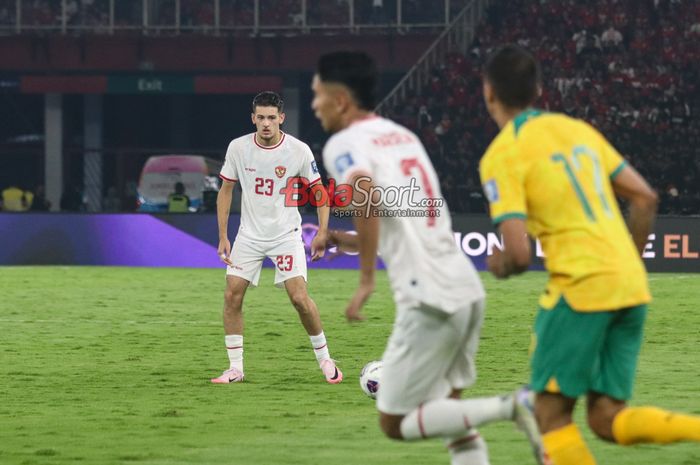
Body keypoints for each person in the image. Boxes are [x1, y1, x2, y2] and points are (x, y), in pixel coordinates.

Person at [312, 51, 543, 465]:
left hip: (428, 297)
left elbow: (362, 191)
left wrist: (365, 280)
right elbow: (401, 220)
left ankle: (515, 406)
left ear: (341, 100)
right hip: (465, 287)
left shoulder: (344, 144)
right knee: (450, 419)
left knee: (395, 421)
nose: (314, 105)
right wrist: (341, 240)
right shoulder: (403, 137)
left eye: (317, 95)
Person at [478, 44, 700, 465]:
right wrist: (629, 262)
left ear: (489, 92)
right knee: (605, 417)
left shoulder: (501, 154)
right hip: (631, 284)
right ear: (538, 89)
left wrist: (499, 264)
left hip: (581, 288)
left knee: (550, 415)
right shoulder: (577, 130)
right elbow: (645, 198)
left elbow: (519, 254)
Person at [212, 91, 342, 385]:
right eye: (261, 117)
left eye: (272, 117)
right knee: (232, 294)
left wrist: (322, 231)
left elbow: (320, 192)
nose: (266, 123)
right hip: (249, 236)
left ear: (281, 118)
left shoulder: (298, 150)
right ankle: (235, 368)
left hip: (286, 235)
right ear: (253, 119)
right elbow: (226, 191)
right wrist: (223, 235)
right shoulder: (238, 148)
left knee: (299, 299)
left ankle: (325, 359)